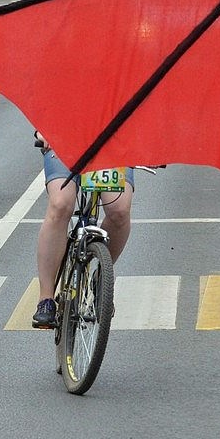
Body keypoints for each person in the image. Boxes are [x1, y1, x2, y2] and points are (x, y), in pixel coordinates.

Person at [30, 132, 134, 328]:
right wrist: (42, 130)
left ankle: (102, 278)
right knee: (60, 204)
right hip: (65, 139)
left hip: (115, 142)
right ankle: (46, 299)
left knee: (119, 210)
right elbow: (45, 101)